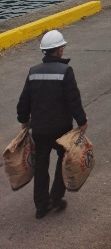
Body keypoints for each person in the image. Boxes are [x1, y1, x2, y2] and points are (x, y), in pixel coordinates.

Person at [17, 29, 88, 219]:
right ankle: (56, 197)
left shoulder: (33, 72)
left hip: (39, 129)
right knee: (63, 160)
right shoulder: (65, 71)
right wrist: (82, 121)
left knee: (40, 166)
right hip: (61, 129)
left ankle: (41, 206)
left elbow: (24, 100)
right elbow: (73, 100)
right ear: (58, 50)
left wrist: (24, 119)